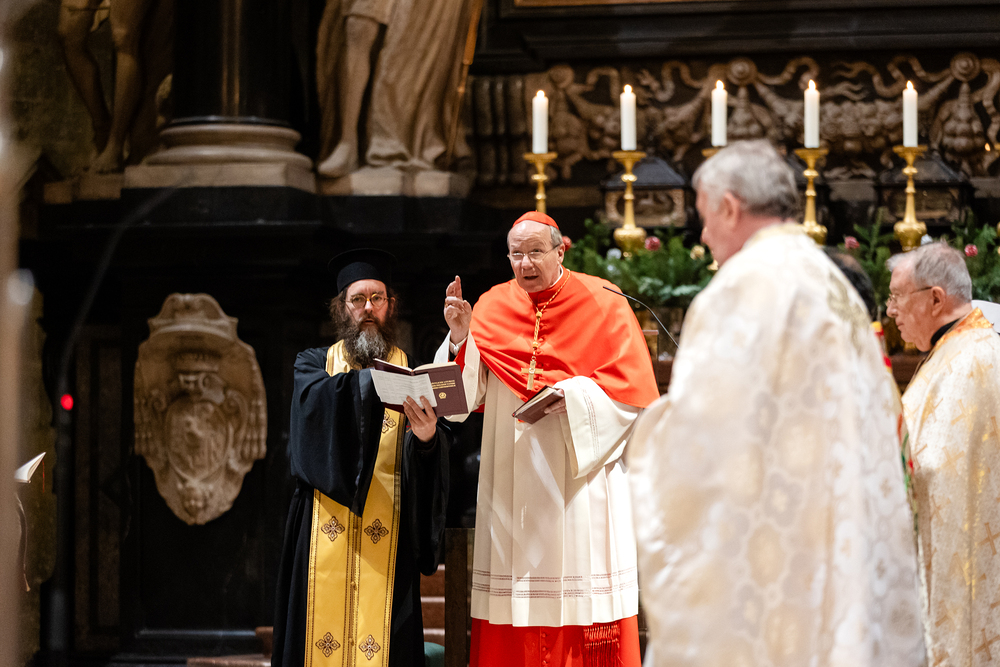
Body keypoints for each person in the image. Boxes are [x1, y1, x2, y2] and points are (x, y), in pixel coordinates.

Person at [629, 140, 926, 667]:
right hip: (837, 530)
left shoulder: (742, 288)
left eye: (704, 217)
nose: (704, 235)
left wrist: (642, 431)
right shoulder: (829, 279)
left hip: (776, 549)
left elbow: (702, 440)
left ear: (729, 207)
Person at [436, 210, 660, 667]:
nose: (525, 263)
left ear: (561, 251)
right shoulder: (492, 305)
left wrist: (578, 397)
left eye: (536, 252)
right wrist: (460, 339)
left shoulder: (603, 301)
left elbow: (632, 396)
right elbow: (460, 402)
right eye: (516, 254)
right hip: (511, 481)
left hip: (578, 480)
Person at [272, 249, 449, 667]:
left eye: (377, 298)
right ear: (342, 308)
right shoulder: (313, 364)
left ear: (391, 306)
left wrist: (426, 439)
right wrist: (374, 383)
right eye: (358, 299)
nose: (368, 308)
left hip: (389, 535)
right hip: (321, 529)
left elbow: (429, 468)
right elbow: (313, 417)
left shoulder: (413, 372)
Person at [886, 242, 1000, 667]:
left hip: (962, 567)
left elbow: (932, 468)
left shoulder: (966, 363)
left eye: (898, 297)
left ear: (935, 299)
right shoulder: (963, 347)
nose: (891, 311)